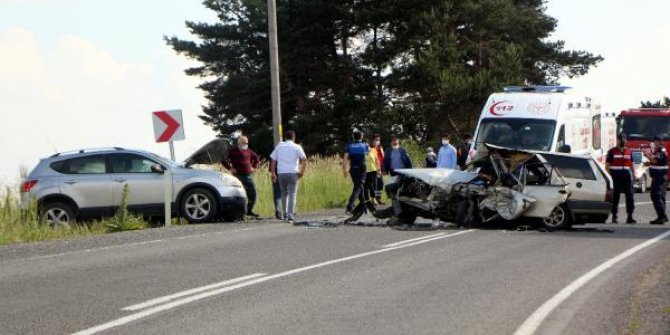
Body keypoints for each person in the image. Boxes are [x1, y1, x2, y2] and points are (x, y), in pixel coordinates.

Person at [270, 131, 307, 223]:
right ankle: (291, 215)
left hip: (281, 173)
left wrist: (273, 173)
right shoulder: (297, 147)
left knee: (283, 193)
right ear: (294, 138)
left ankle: (285, 214)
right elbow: (304, 159)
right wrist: (301, 171)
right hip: (293, 172)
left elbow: (273, 159)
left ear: (285, 137)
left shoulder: (279, 146)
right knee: (292, 194)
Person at [222, 135, 261, 219]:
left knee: (253, 193)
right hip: (238, 176)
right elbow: (223, 160)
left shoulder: (248, 150)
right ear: (239, 143)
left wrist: (254, 167)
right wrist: (230, 168)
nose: (246, 144)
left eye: (247, 143)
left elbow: (257, 158)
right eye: (244, 143)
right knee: (239, 195)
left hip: (248, 175)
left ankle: (249, 211)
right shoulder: (232, 151)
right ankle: (240, 214)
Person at [605, 134, 637, 224]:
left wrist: (634, 175)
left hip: (626, 177)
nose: (622, 141)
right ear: (617, 140)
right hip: (616, 177)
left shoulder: (629, 152)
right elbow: (607, 166)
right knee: (615, 197)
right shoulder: (611, 152)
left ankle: (630, 216)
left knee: (630, 196)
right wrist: (609, 177)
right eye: (620, 139)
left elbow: (631, 164)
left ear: (626, 141)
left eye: (624, 140)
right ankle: (614, 216)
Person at [343, 131, 368, 214]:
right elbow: (368, 153)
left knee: (360, 187)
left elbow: (345, 159)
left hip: (353, 169)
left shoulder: (349, 146)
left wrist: (344, 169)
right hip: (361, 169)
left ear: (353, 137)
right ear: (361, 137)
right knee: (358, 187)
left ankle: (364, 206)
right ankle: (350, 206)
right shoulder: (365, 145)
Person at [645, 135, 668, 224]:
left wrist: (647, 155)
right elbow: (654, 161)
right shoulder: (656, 151)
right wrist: (649, 163)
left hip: (660, 177)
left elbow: (656, 161)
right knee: (659, 196)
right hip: (658, 176)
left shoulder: (661, 151)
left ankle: (662, 216)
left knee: (655, 195)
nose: (652, 143)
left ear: (658, 142)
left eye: (654, 141)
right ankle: (662, 216)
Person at [364, 139, 381, 204]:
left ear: (369, 144)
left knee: (370, 184)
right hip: (364, 171)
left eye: (366, 143)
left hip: (373, 170)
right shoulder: (362, 152)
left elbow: (377, 160)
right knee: (365, 186)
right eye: (364, 143)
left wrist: (379, 169)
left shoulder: (373, 150)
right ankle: (367, 200)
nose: (365, 144)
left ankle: (373, 198)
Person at [371, 134, 385, 204]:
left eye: (379, 140)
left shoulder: (380, 147)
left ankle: (378, 198)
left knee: (381, 183)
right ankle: (373, 199)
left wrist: (383, 168)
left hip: (380, 168)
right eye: (376, 140)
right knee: (375, 184)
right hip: (374, 169)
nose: (378, 141)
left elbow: (383, 158)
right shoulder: (370, 148)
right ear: (373, 140)